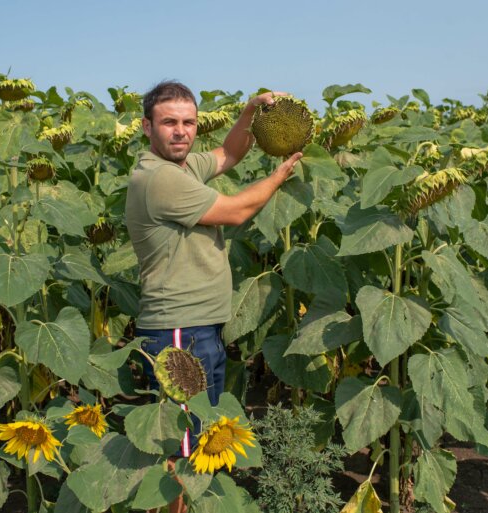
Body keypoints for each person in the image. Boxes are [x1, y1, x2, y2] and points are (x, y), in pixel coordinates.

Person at [125, 81, 301, 513]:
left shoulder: (182, 167)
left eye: (188, 123)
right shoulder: (159, 179)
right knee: (182, 453)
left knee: (199, 439)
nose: (180, 131)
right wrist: (279, 175)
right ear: (148, 127)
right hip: (178, 331)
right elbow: (238, 210)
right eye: (169, 123)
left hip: (198, 326)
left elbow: (229, 155)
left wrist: (248, 114)